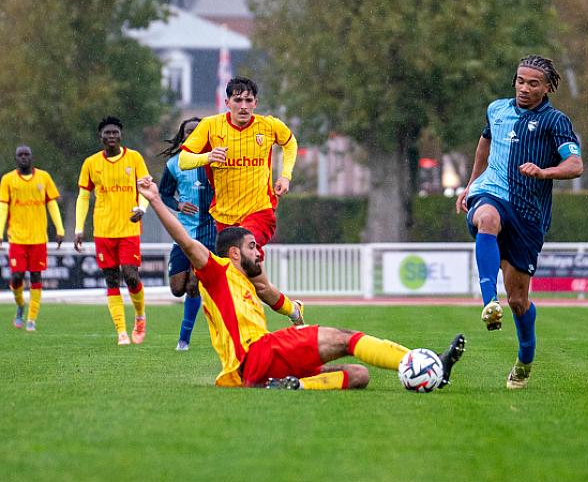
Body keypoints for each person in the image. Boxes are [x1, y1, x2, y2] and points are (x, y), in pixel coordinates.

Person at [137, 175, 466, 390]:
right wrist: (155, 200)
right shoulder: (216, 271)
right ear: (234, 253)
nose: (259, 252)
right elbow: (185, 240)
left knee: (358, 376)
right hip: (256, 355)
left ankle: (292, 385)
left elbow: (268, 292)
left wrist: (294, 311)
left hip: (259, 367)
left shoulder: (249, 280)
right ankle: (425, 363)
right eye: (253, 247)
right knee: (345, 338)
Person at [455, 55, 583, 390]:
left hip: (528, 214)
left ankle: (525, 359)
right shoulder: (497, 109)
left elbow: (575, 164)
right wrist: (472, 183)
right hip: (492, 193)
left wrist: (545, 172)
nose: (524, 88)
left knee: (519, 300)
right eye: (520, 81)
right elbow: (485, 141)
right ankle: (487, 302)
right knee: (486, 218)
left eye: (533, 83)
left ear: (547, 87)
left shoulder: (555, 122)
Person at [178, 76, 297, 259]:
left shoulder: (268, 126)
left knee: (241, 251)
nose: (243, 106)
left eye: (248, 100)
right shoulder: (210, 126)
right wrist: (208, 157)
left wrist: (285, 176)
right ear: (227, 102)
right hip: (225, 216)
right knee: (249, 276)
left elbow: (290, 143)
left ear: (255, 103)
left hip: (260, 211)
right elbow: (183, 161)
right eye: (238, 100)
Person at [74, 116, 151, 346]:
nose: (111, 137)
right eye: (107, 133)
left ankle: (140, 316)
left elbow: (145, 188)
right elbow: (84, 197)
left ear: (121, 135)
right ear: (100, 137)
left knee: (131, 275)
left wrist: (142, 209)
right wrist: (79, 228)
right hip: (103, 231)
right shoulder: (91, 163)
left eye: (115, 133)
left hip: (129, 228)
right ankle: (121, 331)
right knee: (111, 280)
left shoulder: (134, 158)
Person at [158, 118, 218, 351]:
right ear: (183, 137)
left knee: (194, 285)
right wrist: (179, 205)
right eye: (189, 132)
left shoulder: (215, 163)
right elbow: (164, 195)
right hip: (183, 235)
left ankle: (184, 340)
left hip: (209, 234)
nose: (193, 134)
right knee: (177, 288)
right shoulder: (175, 164)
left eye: (197, 131)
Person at [0, 146, 64, 331]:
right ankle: (20, 305)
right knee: (17, 276)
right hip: (17, 238)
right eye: (20, 155)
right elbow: (3, 207)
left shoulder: (44, 177)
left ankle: (31, 319)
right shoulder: (8, 180)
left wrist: (60, 228)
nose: (24, 158)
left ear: (32, 157)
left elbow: (52, 205)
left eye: (27, 154)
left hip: (38, 238)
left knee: (36, 275)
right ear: (16, 158)